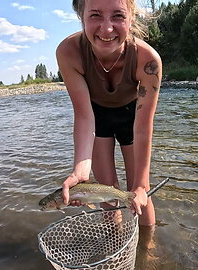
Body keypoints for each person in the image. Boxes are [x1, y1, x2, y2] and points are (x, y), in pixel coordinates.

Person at [57, 0, 162, 226]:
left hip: (133, 117)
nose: (107, 29)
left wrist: (141, 186)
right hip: (96, 116)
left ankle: (149, 251)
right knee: (107, 189)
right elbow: (84, 115)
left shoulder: (148, 60)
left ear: (131, 18)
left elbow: (143, 128)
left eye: (118, 16)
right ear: (81, 16)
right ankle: (114, 243)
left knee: (139, 191)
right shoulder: (69, 52)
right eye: (95, 15)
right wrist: (80, 170)